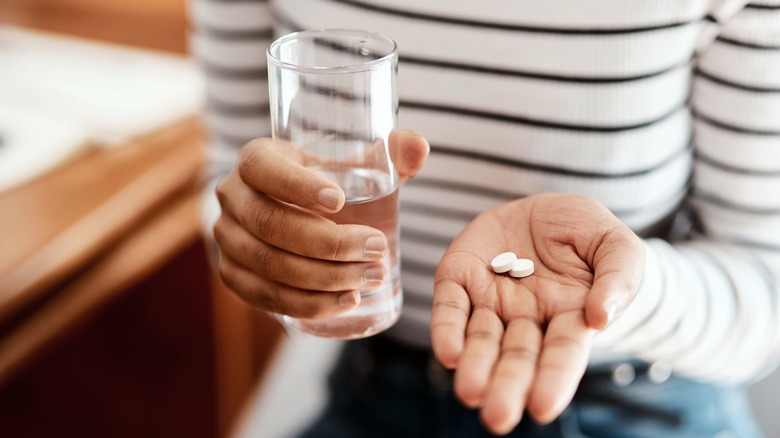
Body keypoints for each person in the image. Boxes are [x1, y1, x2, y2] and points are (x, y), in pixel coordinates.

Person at [191, 0, 780, 436]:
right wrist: (264, 250)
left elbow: (765, 289)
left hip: (636, 406)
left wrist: (626, 288)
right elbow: (231, 175)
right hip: (375, 388)